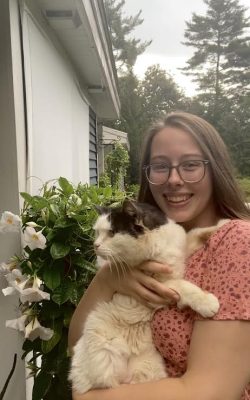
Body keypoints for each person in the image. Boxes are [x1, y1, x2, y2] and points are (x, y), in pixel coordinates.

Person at [68, 112, 250, 400]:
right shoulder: (148, 244)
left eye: (191, 165)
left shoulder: (237, 241)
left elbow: (210, 391)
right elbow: (79, 344)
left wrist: (90, 398)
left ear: (216, 169)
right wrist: (106, 282)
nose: (174, 179)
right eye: (160, 166)